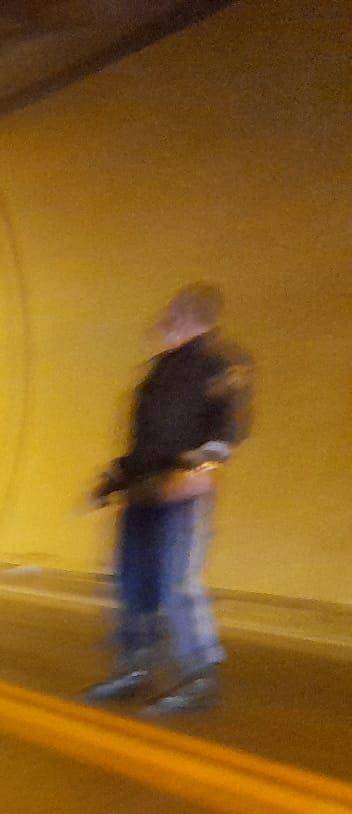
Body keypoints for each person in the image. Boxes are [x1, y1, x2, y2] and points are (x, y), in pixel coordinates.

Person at [83, 283, 252, 713]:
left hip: (181, 492)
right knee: (132, 583)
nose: (160, 322)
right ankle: (135, 667)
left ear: (188, 318)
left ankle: (198, 677)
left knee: (179, 584)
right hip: (142, 492)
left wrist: (199, 469)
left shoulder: (221, 364)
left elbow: (229, 426)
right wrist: (109, 483)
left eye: (169, 315)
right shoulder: (155, 375)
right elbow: (142, 446)